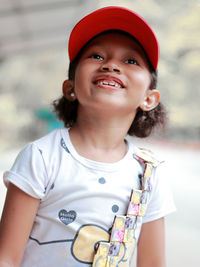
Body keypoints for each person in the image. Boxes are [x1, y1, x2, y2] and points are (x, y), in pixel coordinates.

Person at [0, 6, 175, 267]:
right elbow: (7, 258)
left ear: (149, 98)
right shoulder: (42, 157)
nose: (111, 65)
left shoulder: (148, 174)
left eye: (130, 61)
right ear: (70, 88)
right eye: (96, 55)